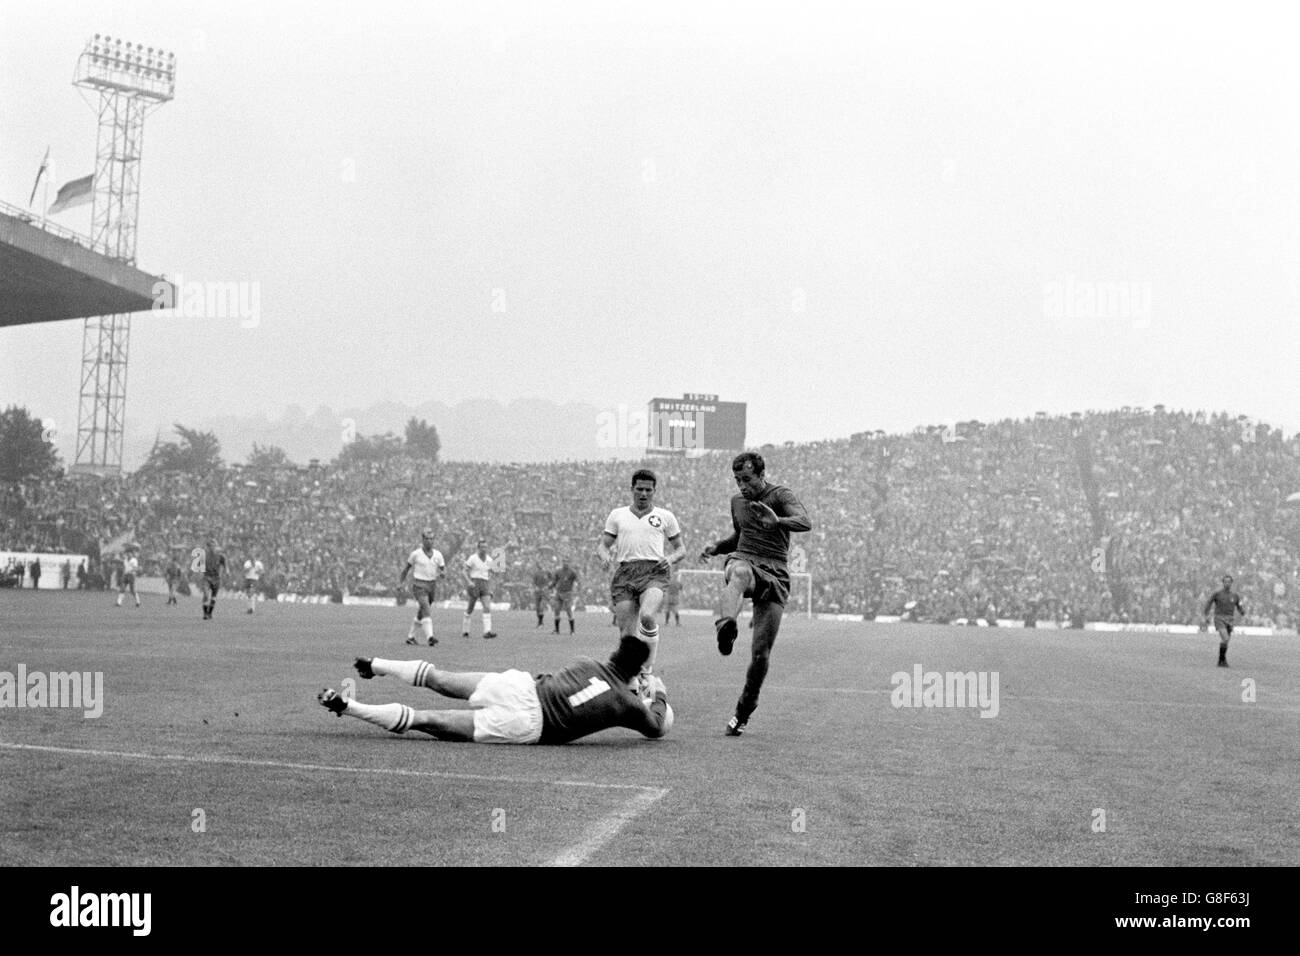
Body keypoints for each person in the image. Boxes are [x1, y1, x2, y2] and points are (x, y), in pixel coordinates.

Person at [318, 633, 672, 745]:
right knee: (427, 719)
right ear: (637, 670)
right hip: (530, 725)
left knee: (439, 678)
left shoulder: (586, 662)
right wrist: (657, 694)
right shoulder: (626, 704)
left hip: (521, 687)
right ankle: (349, 708)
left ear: (614, 654)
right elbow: (657, 727)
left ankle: (377, 665)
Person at [700, 451, 811, 736]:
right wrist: (718, 547)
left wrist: (779, 522)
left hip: (775, 572)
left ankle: (744, 710)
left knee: (761, 654)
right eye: (737, 479)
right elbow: (739, 536)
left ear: (761, 475)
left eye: (746, 479)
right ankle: (726, 625)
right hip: (745, 558)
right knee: (738, 573)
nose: (741, 485)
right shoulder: (737, 502)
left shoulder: (780, 495)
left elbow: (804, 520)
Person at [598, 469, 686, 697]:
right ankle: (631, 683)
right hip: (625, 573)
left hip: (654, 572)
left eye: (648, 490)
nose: (644, 494)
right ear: (632, 489)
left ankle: (646, 670)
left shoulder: (665, 516)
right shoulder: (617, 515)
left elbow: (681, 549)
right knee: (627, 633)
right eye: (640, 489)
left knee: (647, 616)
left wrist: (670, 558)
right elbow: (603, 544)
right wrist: (604, 555)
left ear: (654, 491)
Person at [397, 529, 445, 646]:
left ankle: (411, 637)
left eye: (431, 539)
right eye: (427, 539)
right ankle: (430, 637)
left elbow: (443, 569)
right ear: (423, 540)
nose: (429, 541)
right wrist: (400, 583)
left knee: (421, 611)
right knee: (426, 609)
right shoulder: (416, 554)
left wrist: (442, 574)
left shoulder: (438, 555)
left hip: (432, 585)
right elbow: (406, 569)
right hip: (419, 585)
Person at [1203, 574, 1245, 667]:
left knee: (1225, 641)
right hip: (1219, 618)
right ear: (1223, 583)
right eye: (1225, 582)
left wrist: (1242, 611)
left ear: (1231, 583)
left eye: (1229, 582)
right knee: (1225, 638)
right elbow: (1208, 603)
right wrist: (1206, 615)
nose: (1227, 583)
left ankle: (1221, 661)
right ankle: (1222, 660)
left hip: (1230, 619)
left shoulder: (1235, 595)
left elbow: (1239, 605)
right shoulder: (1217, 593)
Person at [461, 540, 498, 639]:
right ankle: (465, 630)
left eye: (485, 547)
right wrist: (469, 582)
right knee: (470, 609)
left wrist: (491, 586)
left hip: (485, 584)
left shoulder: (489, 560)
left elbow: (493, 573)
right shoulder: (473, 558)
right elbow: (464, 571)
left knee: (487, 607)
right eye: (482, 547)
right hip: (474, 584)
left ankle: (487, 632)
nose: (484, 549)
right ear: (478, 548)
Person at [194, 538, 228, 621]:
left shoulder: (221, 556)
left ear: (216, 546)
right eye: (211, 546)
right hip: (207, 577)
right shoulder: (204, 555)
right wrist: (198, 574)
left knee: (213, 597)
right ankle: (205, 614)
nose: (213, 547)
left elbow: (225, 564)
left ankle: (210, 613)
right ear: (208, 547)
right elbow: (198, 566)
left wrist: (227, 572)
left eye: (214, 546)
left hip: (216, 578)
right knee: (206, 595)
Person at [552, 557, 579, 635]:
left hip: (567, 593)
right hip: (559, 592)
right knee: (556, 610)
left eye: (567, 562)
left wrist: (577, 588)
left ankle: (572, 631)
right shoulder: (558, 571)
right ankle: (557, 630)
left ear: (569, 563)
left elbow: (577, 580)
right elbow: (555, 581)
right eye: (564, 561)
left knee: (568, 611)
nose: (565, 563)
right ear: (562, 562)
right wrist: (550, 586)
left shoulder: (572, 572)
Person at [530, 561, 553, 628]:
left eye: (541, 563)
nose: (540, 565)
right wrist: (536, 587)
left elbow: (552, 580)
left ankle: (540, 623)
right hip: (537, 592)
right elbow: (533, 582)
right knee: (537, 608)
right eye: (539, 564)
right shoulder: (536, 573)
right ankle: (540, 622)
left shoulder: (547, 572)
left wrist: (548, 586)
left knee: (541, 606)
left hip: (545, 592)